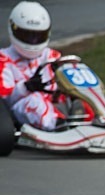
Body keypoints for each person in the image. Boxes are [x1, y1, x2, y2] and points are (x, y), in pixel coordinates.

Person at [0, 1, 64, 131]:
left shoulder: (52, 56)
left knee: (80, 95)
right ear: (13, 29)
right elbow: (4, 100)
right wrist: (26, 87)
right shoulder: (3, 59)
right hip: (18, 109)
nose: (33, 41)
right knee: (34, 100)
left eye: (38, 36)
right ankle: (60, 126)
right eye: (27, 35)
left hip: (54, 103)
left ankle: (104, 117)